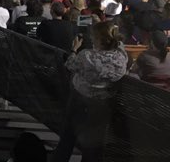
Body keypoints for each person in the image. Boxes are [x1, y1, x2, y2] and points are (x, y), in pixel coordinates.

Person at [52, 21, 127, 162]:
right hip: (102, 103)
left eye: (93, 36)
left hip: (79, 99)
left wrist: (74, 49)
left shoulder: (87, 56)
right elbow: (120, 47)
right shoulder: (120, 58)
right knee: (93, 145)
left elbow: (70, 64)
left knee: (68, 137)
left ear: (99, 39)